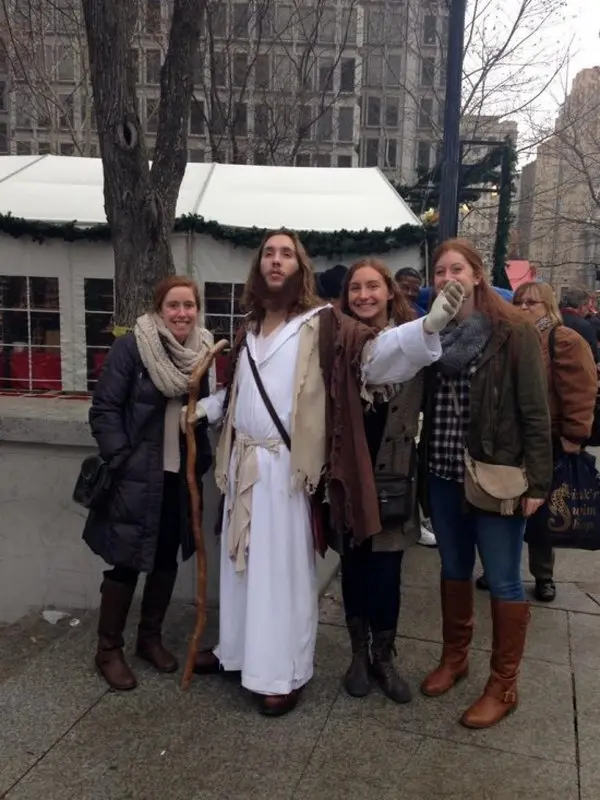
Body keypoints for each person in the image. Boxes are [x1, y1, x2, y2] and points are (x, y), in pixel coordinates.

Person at [189, 229, 464, 717]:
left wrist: (425, 328)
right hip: (242, 464)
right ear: (259, 267)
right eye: (269, 254)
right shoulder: (249, 327)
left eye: (286, 254)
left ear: (301, 268)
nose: (276, 261)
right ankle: (236, 651)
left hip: (286, 470)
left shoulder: (321, 323)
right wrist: (208, 409)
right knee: (241, 566)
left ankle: (282, 672)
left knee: (281, 574)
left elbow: (371, 357)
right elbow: (240, 390)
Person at [418, 239, 553, 729]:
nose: (447, 278)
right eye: (439, 271)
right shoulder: (433, 331)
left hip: (496, 476)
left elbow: (535, 411)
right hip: (442, 472)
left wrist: (538, 483)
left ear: (477, 274)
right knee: (453, 568)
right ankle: (455, 657)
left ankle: (503, 684)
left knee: (503, 578)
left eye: (457, 269)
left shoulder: (513, 330)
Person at [83, 276, 214, 691]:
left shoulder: (203, 351)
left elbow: (202, 411)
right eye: (173, 305)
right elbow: (104, 408)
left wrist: (202, 459)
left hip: (179, 478)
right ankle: (108, 649)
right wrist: (122, 459)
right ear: (159, 309)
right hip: (136, 476)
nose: (182, 313)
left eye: (189, 305)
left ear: (197, 310)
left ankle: (149, 640)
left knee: (164, 559)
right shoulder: (133, 347)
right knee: (126, 559)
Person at [335, 258, 426, 704]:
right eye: (356, 288)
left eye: (373, 286)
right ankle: (357, 654)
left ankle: (383, 657)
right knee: (353, 566)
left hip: (394, 472)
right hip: (349, 473)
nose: (364, 295)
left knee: (387, 572)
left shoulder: (414, 341)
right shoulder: (337, 342)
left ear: (390, 291)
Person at [476, 282, 597, 602]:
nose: (524, 307)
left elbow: (581, 390)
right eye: (519, 302)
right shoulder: (509, 337)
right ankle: (499, 568)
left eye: (532, 302)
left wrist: (574, 435)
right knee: (506, 505)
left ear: (548, 306)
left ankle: (543, 575)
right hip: (511, 439)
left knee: (542, 511)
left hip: (550, 439)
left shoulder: (563, 338)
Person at [559, 287, 598, 361]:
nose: (589, 311)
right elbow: (593, 354)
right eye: (588, 307)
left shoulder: (554, 320)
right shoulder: (584, 326)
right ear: (582, 306)